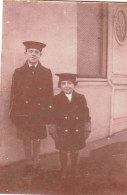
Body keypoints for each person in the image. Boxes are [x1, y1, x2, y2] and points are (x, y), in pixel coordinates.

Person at [10, 41, 53, 173]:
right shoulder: (18, 72)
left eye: (36, 52)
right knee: (26, 137)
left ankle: (37, 160)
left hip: (39, 111)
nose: (33, 54)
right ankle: (29, 161)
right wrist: (14, 112)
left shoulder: (46, 72)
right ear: (26, 54)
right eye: (31, 51)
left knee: (37, 136)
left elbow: (49, 94)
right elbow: (14, 93)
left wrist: (48, 113)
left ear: (40, 55)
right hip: (23, 111)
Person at [49, 73, 91, 178]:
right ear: (60, 85)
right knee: (63, 151)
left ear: (74, 85)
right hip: (62, 130)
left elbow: (86, 114)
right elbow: (51, 117)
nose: (66, 86)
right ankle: (63, 169)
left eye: (69, 83)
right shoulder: (56, 99)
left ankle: (74, 168)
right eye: (63, 83)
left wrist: (87, 129)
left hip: (77, 129)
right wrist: (53, 132)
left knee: (75, 150)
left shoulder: (80, 98)